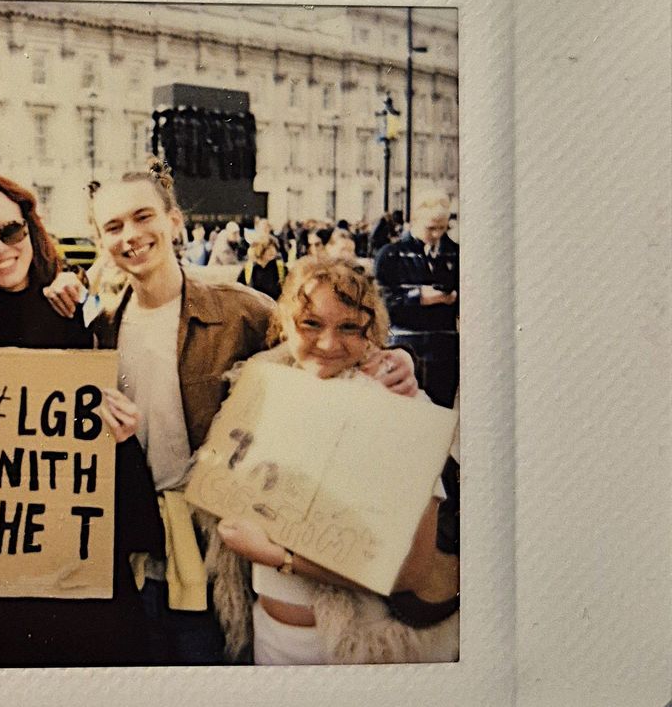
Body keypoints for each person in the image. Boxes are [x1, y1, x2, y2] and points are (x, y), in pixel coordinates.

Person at [46, 158, 418, 664]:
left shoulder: (241, 308)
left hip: (224, 547)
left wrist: (393, 358)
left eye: (143, 217)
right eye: (113, 226)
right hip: (138, 544)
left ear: (173, 221)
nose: (130, 235)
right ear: (99, 239)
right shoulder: (103, 323)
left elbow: (323, 350)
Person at [0, 174, 163, 667]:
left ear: (30, 226)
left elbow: (103, 371)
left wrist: (118, 421)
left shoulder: (69, 297)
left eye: (10, 231)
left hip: (68, 540)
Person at [215, 255, 458, 665]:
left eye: (349, 327)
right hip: (270, 640)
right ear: (286, 325)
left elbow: (411, 572)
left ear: (372, 334)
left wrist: (281, 558)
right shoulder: (263, 393)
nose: (328, 343)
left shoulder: (403, 408)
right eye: (311, 324)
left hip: (354, 648)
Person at [374, 199, 460, 408]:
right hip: (405, 348)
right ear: (414, 222)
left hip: (443, 351)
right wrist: (418, 297)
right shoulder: (390, 254)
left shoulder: (456, 253)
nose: (437, 234)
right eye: (431, 228)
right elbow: (382, 301)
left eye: (442, 228)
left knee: (441, 414)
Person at [237, 233, 285, 301]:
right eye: (268, 248)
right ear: (259, 249)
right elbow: (239, 289)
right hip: (254, 308)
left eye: (274, 247)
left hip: (276, 308)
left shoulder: (281, 267)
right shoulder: (248, 268)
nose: (273, 251)